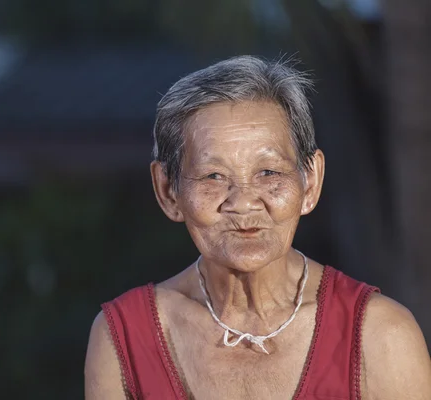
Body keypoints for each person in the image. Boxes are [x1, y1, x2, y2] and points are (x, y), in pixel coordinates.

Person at [84, 56, 431, 399]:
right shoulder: (124, 340)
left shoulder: (381, 337)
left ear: (310, 183)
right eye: (213, 176)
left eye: (269, 172)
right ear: (168, 191)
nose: (244, 202)